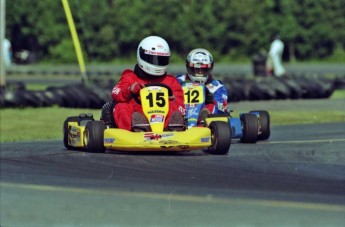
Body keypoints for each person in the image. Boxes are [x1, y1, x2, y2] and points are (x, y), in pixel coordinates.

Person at [109, 36, 186, 132]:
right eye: (153, 59)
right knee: (120, 106)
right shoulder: (130, 77)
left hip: (163, 120)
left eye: (161, 60)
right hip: (137, 116)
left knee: (175, 106)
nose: (157, 63)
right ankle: (137, 129)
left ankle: (173, 128)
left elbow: (181, 106)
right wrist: (130, 89)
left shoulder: (171, 81)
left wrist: (172, 99)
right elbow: (115, 93)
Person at [177, 48, 228, 123]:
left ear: (209, 68)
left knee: (217, 107)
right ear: (189, 67)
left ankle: (204, 115)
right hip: (181, 114)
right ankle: (176, 119)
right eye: (196, 69)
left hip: (206, 123)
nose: (200, 72)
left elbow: (221, 108)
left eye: (203, 69)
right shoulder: (178, 81)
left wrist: (211, 101)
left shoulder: (217, 87)